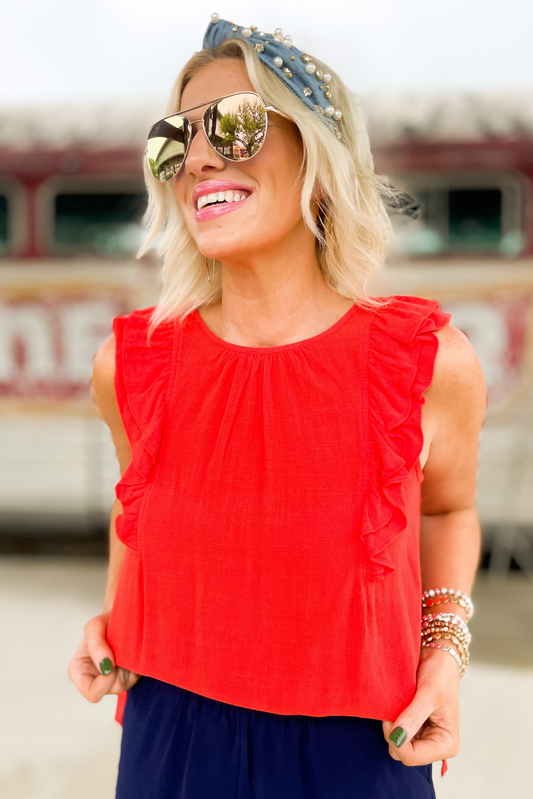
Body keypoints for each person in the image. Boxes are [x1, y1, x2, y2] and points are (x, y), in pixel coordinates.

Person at [68, 14, 486, 799]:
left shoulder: (427, 364)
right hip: (171, 743)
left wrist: (443, 652)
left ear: (318, 156)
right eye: (176, 137)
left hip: (359, 755)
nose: (197, 157)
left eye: (233, 125)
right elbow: (136, 511)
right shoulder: (129, 365)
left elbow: (446, 511)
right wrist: (114, 617)